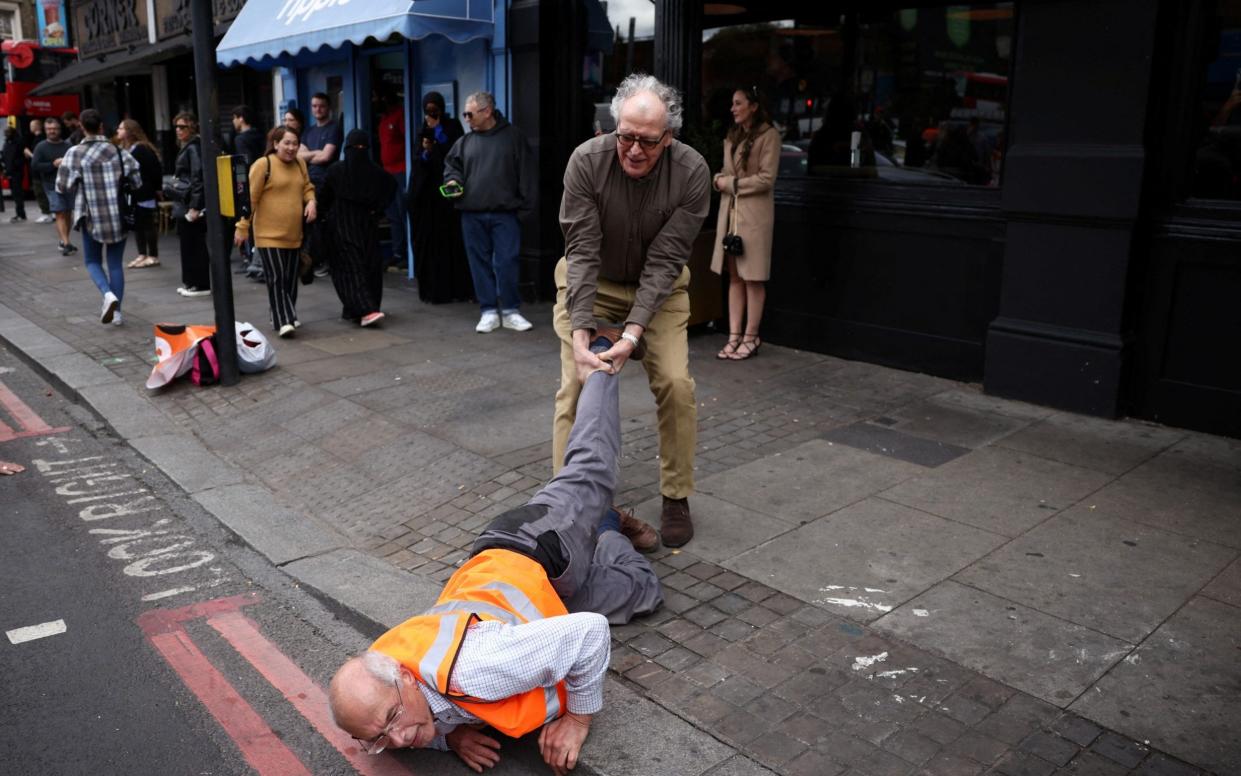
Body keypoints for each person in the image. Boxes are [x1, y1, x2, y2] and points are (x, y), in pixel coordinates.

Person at [327, 333, 662, 773]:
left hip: (537, 543)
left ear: (406, 680)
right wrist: (451, 737)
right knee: (645, 592)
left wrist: (578, 719)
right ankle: (608, 527)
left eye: (393, 720)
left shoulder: (478, 669)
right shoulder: (390, 699)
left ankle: (599, 364)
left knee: (591, 466)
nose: (399, 739)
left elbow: (591, 634)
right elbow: (402, 724)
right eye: (378, 738)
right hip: (538, 596)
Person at [555, 72, 710, 548]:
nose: (635, 150)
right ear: (613, 128)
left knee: (676, 384)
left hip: (660, 292)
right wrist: (583, 337)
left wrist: (632, 335)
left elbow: (665, 263)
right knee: (575, 389)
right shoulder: (586, 160)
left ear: (669, 137)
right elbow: (581, 248)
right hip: (594, 282)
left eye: (647, 141)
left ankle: (676, 495)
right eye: (626, 137)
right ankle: (567, 506)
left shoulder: (692, 172)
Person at [443, 90, 534, 333]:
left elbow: (527, 174)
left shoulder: (513, 138)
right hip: (471, 213)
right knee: (479, 263)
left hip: (506, 212)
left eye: (469, 114)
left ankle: (511, 309)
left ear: (486, 111)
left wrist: (525, 209)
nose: (466, 119)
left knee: (507, 262)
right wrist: (452, 182)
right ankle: (488, 310)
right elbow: (451, 167)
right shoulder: (464, 142)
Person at [710, 86, 780, 361]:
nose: (733, 108)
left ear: (753, 106)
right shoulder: (732, 137)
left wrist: (730, 184)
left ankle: (752, 337)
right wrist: (720, 179)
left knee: (753, 278)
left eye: (738, 103)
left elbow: (767, 178)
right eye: (732, 103)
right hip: (731, 216)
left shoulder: (769, 135)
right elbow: (727, 173)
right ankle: (733, 336)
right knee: (735, 277)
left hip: (754, 218)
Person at [55, 109, 141, 327]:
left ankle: (107, 294)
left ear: (82, 126)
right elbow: (137, 179)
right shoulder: (119, 152)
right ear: (102, 126)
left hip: (90, 214)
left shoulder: (75, 152)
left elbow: (62, 186)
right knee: (115, 264)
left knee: (92, 261)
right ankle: (118, 313)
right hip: (117, 215)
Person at [234, 126, 317, 338]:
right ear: (275, 143)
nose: (291, 148)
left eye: (295, 143)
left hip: (293, 232)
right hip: (268, 234)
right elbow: (249, 199)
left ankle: (283, 312)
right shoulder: (264, 165)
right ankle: (283, 320)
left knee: (290, 278)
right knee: (277, 276)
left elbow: (307, 187)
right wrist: (242, 227)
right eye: (286, 143)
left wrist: (311, 202)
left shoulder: (299, 163)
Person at [318, 129, 395, 327]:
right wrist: (377, 209)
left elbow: (323, 198)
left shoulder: (337, 171)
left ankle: (362, 309)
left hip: (346, 224)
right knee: (356, 267)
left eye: (362, 148)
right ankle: (366, 308)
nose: (358, 152)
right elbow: (390, 188)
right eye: (356, 148)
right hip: (359, 224)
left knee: (356, 268)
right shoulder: (374, 173)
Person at [408, 90, 470, 303]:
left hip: (447, 195)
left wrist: (439, 133)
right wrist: (426, 149)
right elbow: (418, 162)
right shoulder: (421, 130)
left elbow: (456, 152)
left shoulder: (452, 127)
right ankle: (433, 290)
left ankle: (458, 288)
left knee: (452, 242)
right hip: (426, 199)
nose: (431, 113)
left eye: (435, 108)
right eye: (428, 109)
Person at [299, 92, 342, 278]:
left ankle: (324, 261)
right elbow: (299, 156)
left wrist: (311, 154)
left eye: (321, 106)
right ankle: (314, 259)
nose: (318, 109)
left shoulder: (334, 128)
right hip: (308, 181)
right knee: (310, 223)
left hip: (326, 182)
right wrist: (315, 153)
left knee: (321, 222)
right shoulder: (308, 131)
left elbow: (326, 156)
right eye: (314, 106)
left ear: (329, 108)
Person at [170, 112, 210, 297]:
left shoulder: (193, 148)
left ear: (192, 126)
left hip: (190, 204)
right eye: (176, 127)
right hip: (186, 202)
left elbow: (198, 177)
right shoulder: (189, 146)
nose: (178, 130)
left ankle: (199, 284)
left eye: (183, 127)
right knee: (189, 243)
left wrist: (195, 206)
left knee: (193, 244)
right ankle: (192, 282)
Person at [116, 119, 163, 269]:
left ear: (129, 131)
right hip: (135, 193)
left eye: (121, 128)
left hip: (145, 192)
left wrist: (157, 189)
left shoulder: (142, 149)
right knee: (137, 224)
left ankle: (153, 255)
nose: (118, 131)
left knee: (147, 223)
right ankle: (142, 254)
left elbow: (155, 171)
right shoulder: (128, 149)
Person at [374, 88, 408, 270]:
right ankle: (397, 252)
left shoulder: (400, 115)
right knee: (393, 214)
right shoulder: (384, 119)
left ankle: (408, 254)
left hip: (401, 170)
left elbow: (406, 139)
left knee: (403, 213)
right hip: (387, 171)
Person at [231, 105, 267, 279]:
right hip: (265, 181)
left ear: (241, 118)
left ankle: (252, 261)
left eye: (234, 118)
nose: (233, 122)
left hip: (249, 182)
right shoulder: (261, 135)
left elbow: (244, 164)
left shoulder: (240, 139)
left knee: (248, 220)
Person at [31, 116, 76, 254]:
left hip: (68, 184)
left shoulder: (68, 146)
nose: (52, 131)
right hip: (51, 184)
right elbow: (35, 165)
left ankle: (64, 240)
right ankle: (67, 243)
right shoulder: (41, 147)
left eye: (55, 129)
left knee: (68, 212)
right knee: (60, 212)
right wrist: (52, 164)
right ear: (45, 130)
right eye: (49, 129)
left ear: (60, 130)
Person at [24, 118, 52, 222]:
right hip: (41, 170)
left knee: (40, 192)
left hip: (38, 171)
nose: (30, 128)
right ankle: (50, 213)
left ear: (37, 126)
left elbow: (37, 156)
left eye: (32, 125)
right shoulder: (40, 139)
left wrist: (28, 153)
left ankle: (46, 213)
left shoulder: (39, 140)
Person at [3, 126, 28, 222]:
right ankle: (20, 214)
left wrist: (15, 165)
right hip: (10, 171)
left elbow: (21, 157)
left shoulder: (18, 142)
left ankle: (21, 213)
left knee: (18, 193)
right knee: (14, 193)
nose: (6, 135)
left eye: (8, 133)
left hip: (16, 171)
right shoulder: (7, 143)